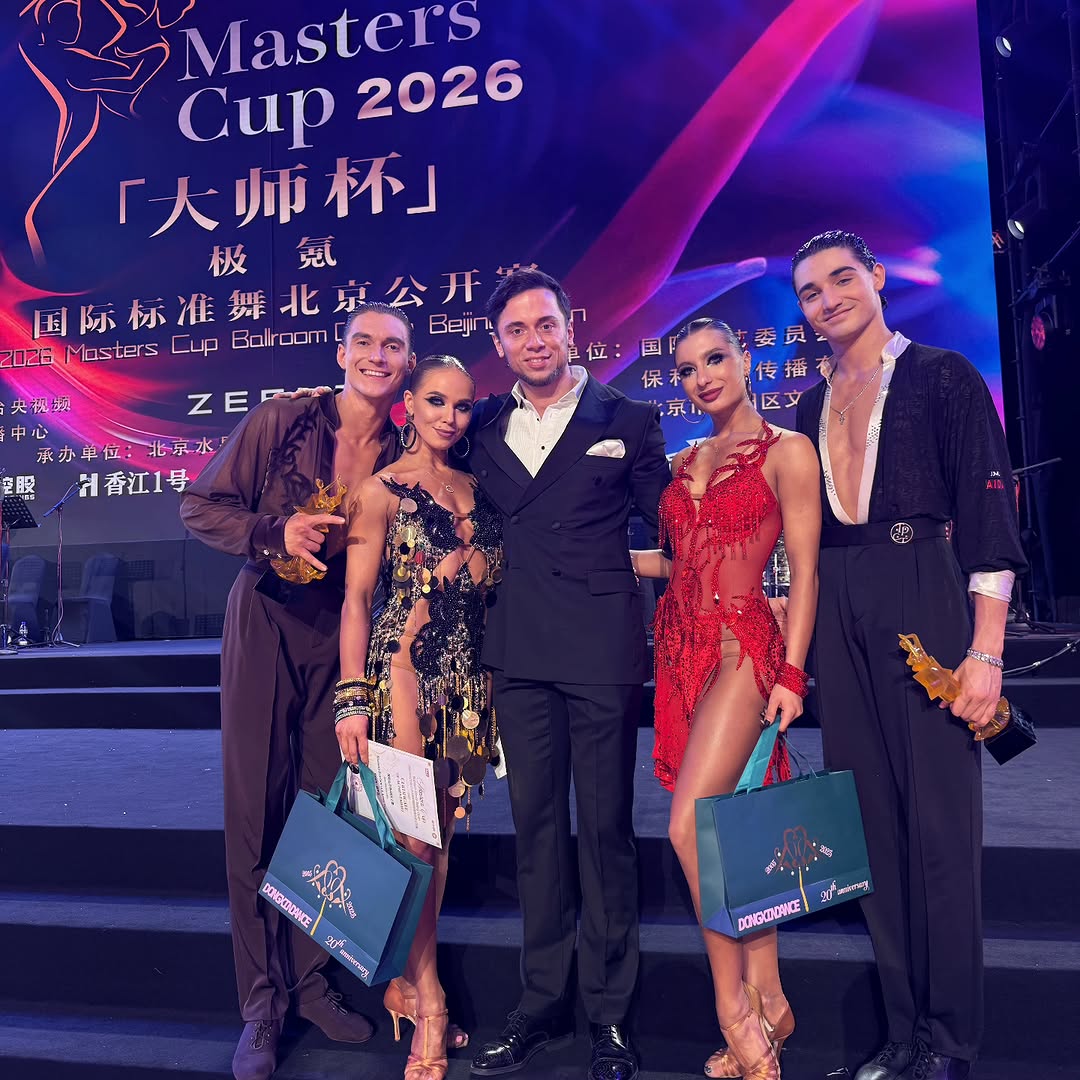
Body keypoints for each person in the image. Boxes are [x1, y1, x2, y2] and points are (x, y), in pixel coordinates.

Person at [790, 231, 1026, 1080]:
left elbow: (990, 520)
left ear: (878, 277)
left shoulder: (944, 377)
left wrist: (986, 652)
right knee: (869, 826)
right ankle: (902, 1033)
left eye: (841, 279)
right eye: (810, 291)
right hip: (839, 600)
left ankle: (950, 1039)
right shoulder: (806, 407)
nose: (828, 299)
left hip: (924, 583)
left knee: (939, 828)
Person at [179, 302, 414, 1080]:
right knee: (255, 812)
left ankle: (312, 984)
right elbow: (199, 505)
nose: (377, 356)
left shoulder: (405, 451)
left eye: (393, 346)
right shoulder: (282, 420)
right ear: (341, 352)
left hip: (341, 637)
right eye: (364, 342)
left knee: (323, 815)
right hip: (265, 619)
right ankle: (261, 1005)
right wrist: (272, 532)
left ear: (408, 363)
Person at [467, 268, 671, 1080]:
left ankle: (610, 1014)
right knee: (536, 829)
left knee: (607, 828)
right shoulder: (482, 424)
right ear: (500, 344)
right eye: (517, 330)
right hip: (517, 649)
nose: (534, 340)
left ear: (569, 326)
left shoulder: (628, 418)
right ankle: (542, 1001)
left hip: (599, 649)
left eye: (545, 324)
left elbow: (673, 520)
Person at [630, 318, 821, 1080]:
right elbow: (680, 562)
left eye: (714, 359)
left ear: (744, 357)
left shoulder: (787, 451)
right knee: (732, 830)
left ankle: (735, 1011)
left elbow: (803, 569)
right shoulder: (684, 461)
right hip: (681, 654)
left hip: (745, 648)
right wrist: (590, 557)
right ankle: (772, 999)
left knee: (691, 826)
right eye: (686, 369)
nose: (702, 376)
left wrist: (793, 673)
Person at [334, 354, 502, 1080]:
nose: (449, 417)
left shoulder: (479, 489)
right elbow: (356, 600)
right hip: (400, 673)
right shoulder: (380, 491)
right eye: (436, 401)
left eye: (462, 406)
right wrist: (351, 698)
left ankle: (406, 979)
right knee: (415, 842)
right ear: (409, 404)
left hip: (466, 684)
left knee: (441, 840)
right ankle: (430, 1002)